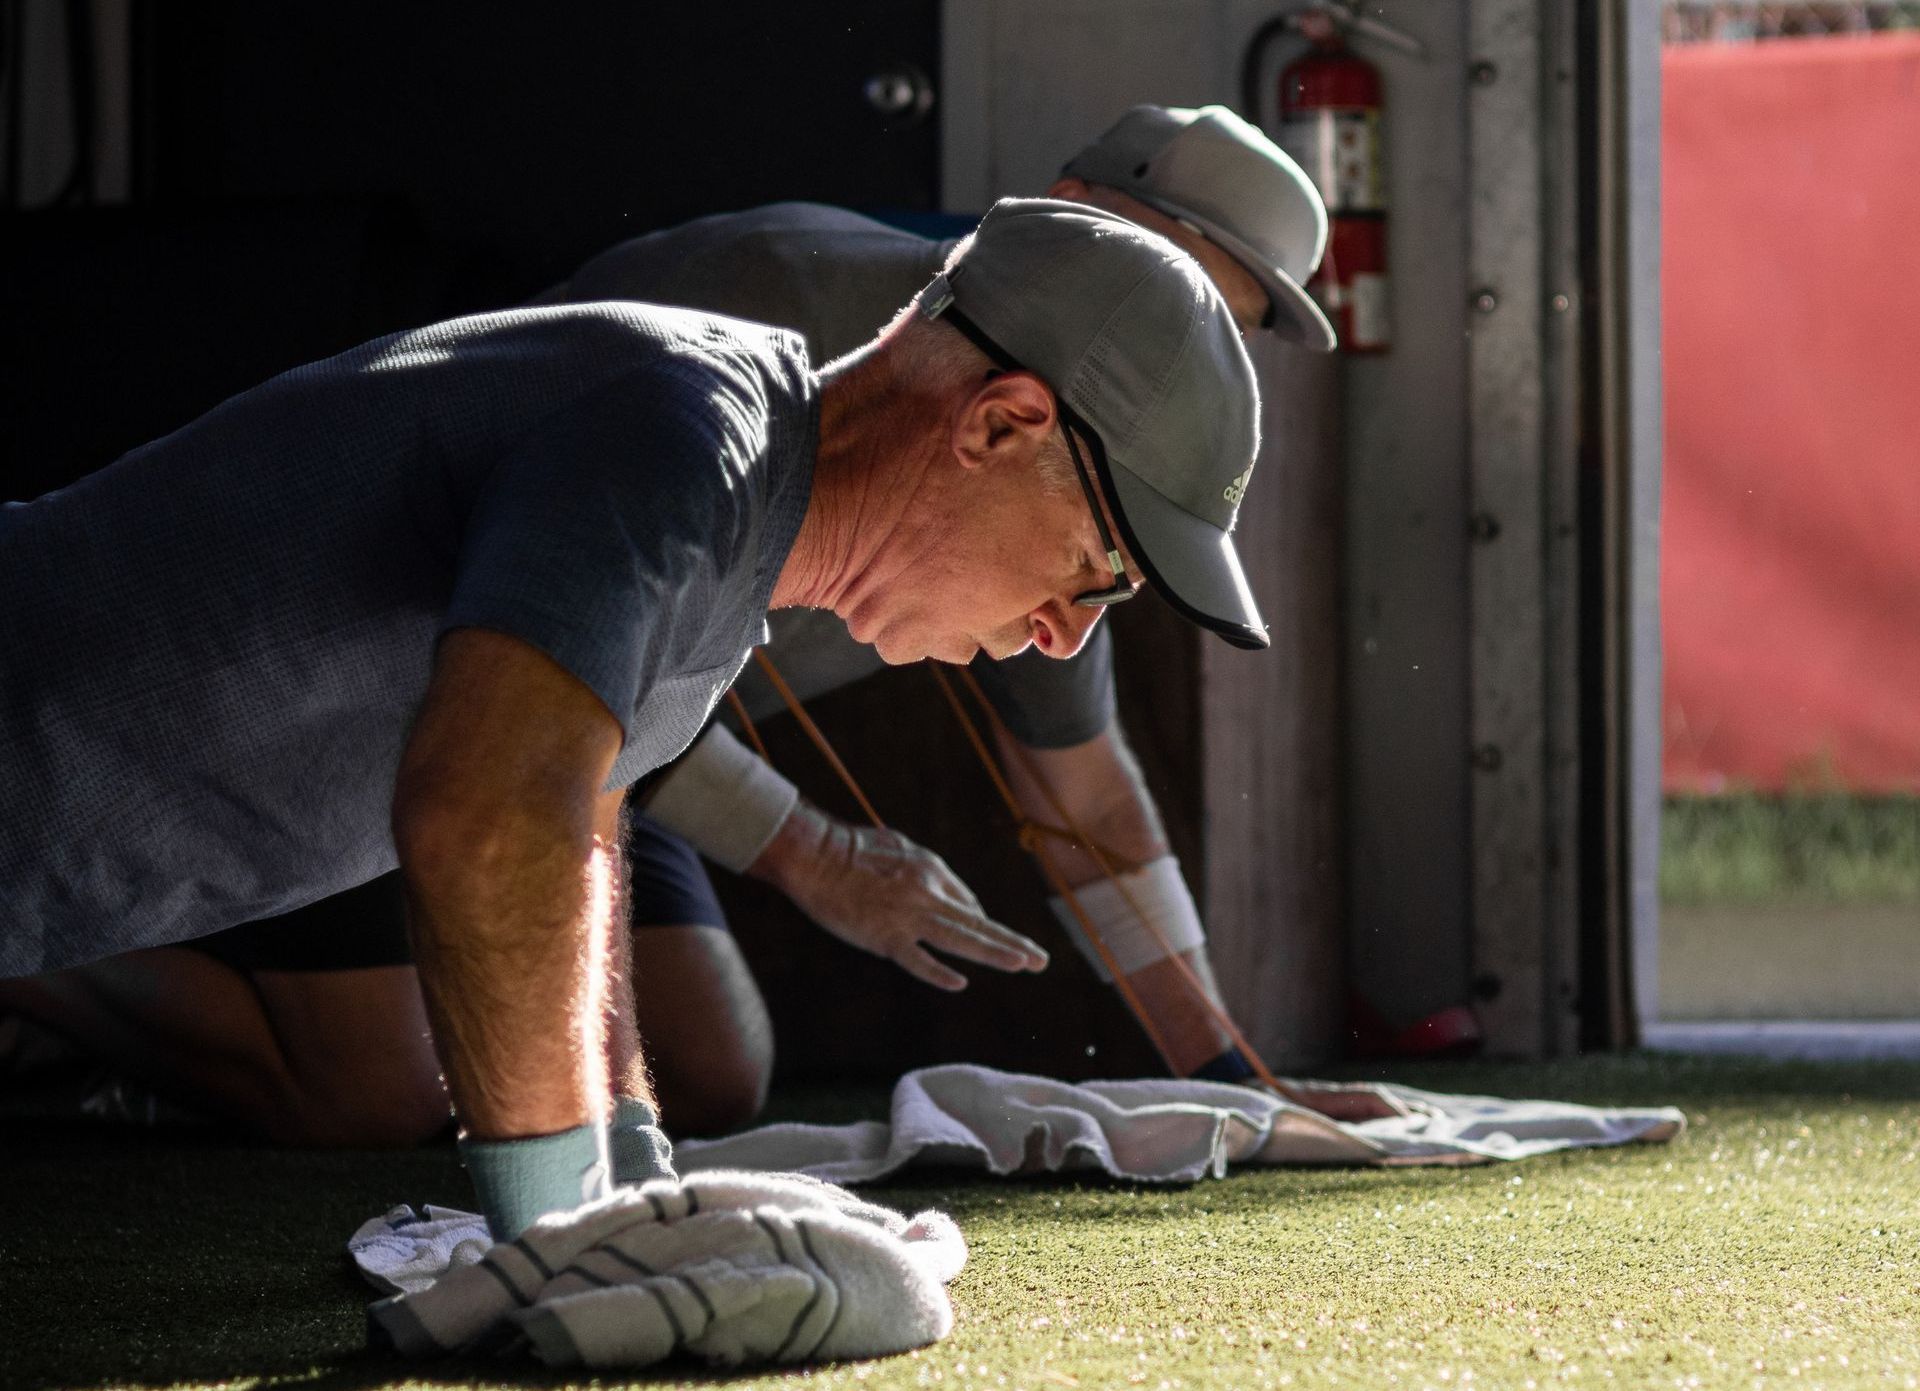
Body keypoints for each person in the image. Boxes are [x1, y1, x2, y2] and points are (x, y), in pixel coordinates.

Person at [0, 198, 1268, 1238]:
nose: (1065, 634)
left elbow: (582, 823)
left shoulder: (734, 545)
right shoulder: (688, 432)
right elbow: (489, 817)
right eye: (1101, 572)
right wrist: (565, 1244)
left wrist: (637, 1175)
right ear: (998, 423)